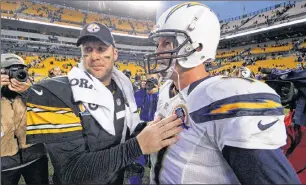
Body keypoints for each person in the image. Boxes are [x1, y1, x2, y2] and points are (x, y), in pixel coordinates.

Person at [143, 2, 301, 184]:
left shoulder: (221, 96)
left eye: (167, 43)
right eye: (159, 44)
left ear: (197, 46)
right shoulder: (166, 89)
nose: (158, 51)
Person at [7, 22, 183, 184]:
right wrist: (136, 147)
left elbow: (124, 131)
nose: (94, 56)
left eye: (101, 48)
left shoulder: (123, 87)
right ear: (82, 54)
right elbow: (70, 172)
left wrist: (149, 129)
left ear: (115, 53)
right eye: (88, 49)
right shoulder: (57, 92)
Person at [1, 53, 49, 185]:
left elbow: (47, 115)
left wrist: (30, 93)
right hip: (4, 161)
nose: (17, 76)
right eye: (11, 71)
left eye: (21, 71)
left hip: (35, 156)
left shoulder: (33, 91)